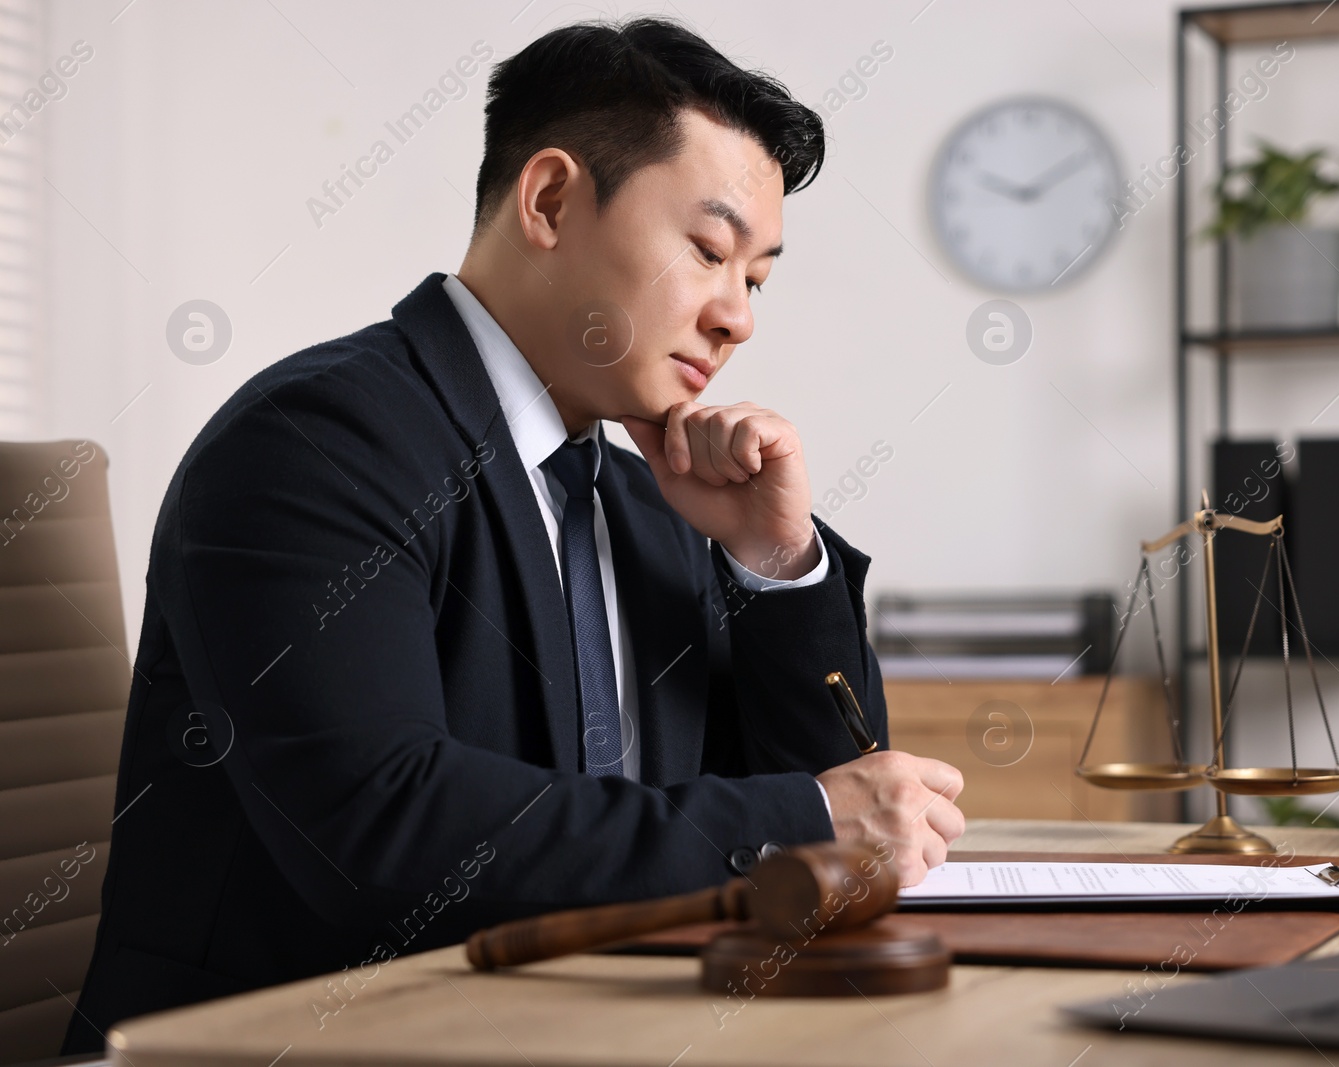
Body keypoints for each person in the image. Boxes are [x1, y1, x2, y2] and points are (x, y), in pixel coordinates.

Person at [63, 16, 964, 1052]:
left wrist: (772, 565)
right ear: (548, 201)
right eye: (708, 251)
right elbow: (384, 831)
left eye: (755, 277)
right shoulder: (314, 445)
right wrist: (794, 822)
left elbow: (834, 815)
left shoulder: (643, 500)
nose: (737, 317)